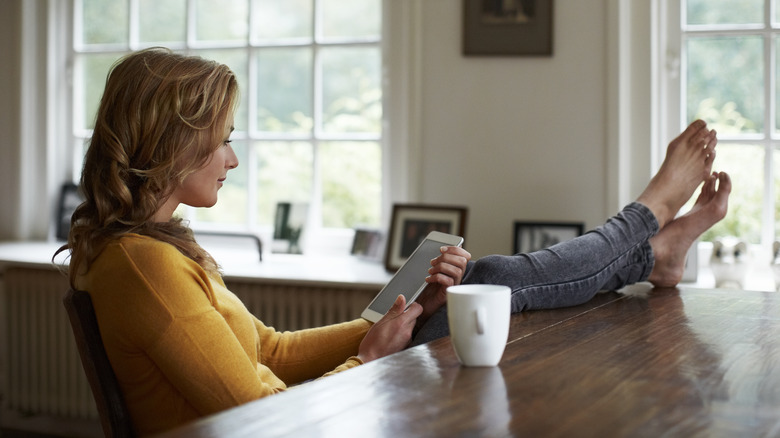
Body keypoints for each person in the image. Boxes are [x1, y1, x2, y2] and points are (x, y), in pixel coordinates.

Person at [54, 47, 730, 435]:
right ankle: (648, 223)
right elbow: (259, 419)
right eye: (223, 138)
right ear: (176, 140)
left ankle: (651, 239)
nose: (232, 158)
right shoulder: (143, 268)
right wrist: (370, 358)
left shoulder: (149, 252)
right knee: (487, 282)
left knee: (471, 287)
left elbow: (267, 351)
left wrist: (392, 324)